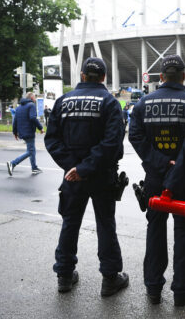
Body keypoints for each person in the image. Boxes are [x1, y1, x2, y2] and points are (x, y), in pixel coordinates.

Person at [44, 57, 128, 296]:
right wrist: (87, 167)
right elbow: (112, 142)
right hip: (101, 174)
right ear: (103, 77)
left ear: (82, 76)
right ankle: (110, 278)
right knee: (105, 224)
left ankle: (64, 275)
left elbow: (52, 140)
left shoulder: (63, 101)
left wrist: (74, 168)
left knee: (70, 222)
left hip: (72, 177)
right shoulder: (110, 102)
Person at [129, 54, 185, 306]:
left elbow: (135, 138)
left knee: (155, 229)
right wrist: (175, 171)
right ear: (184, 76)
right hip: (183, 179)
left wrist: (161, 165)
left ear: (160, 77)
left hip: (154, 177)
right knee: (184, 232)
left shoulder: (142, 104)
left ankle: (153, 288)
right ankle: (183, 290)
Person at [6, 92, 44, 176]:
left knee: (31, 150)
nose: (35, 99)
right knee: (30, 151)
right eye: (34, 97)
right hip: (29, 131)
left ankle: (34, 168)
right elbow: (33, 117)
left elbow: (15, 121)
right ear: (31, 98)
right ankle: (13, 163)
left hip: (22, 132)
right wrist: (40, 127)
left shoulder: (19, 107)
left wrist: (15, 132)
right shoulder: (31, 105)